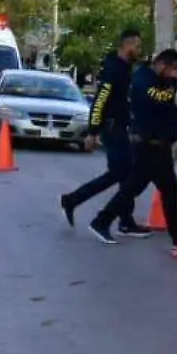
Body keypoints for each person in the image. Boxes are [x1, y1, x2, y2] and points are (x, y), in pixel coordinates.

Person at [89, 48, 177, 247]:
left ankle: (103, 221)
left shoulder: (163, 83)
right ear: (162, 65)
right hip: (148, 145)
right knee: (156, 190)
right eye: (174, 69)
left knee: (149, 189)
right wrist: (172, 85)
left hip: (161, 145)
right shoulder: (143, 79)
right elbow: (158, 100)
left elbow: (168, 108)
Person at [60, 28, 148, 237]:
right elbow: (100, 101)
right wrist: (93, 132)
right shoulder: (113, 70)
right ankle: (84, 207)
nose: (139, 49)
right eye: (136, 46)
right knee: (123, 174)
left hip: (119, 127)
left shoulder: (125, 68)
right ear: (126, 46)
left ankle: (124, 220)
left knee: (123, 176)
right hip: (112, 128)